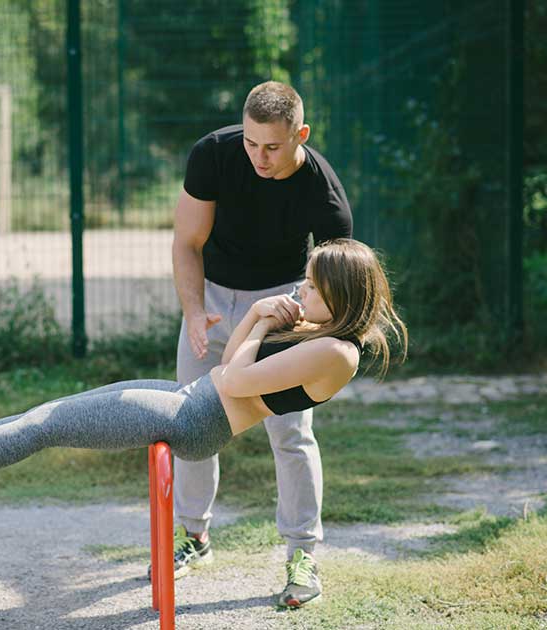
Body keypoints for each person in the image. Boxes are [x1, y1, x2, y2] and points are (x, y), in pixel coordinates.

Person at [0, 240, 407, 607]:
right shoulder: (318, 333)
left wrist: (259, 322)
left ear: (339, 297)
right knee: (41, 415)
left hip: (193, 419)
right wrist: (258, 316)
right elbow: (229, 361)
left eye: (310, 287)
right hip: (189, 398)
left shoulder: (336, 353)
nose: (299, 292)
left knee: (44, 426)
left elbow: (235, 381)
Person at [169, 80, 352, 606]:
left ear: (301, 134)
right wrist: (194, 310)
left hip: (286, 304)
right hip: (212, 296)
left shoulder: (324, 196)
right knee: (189, 424)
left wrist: (309, 335)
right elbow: (186, 241)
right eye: (251, 143)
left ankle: (303, 555)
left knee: (291, 432)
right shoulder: (213, 154)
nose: (259, 157)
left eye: (273, 146)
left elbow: (336, 290)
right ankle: (193, 537)